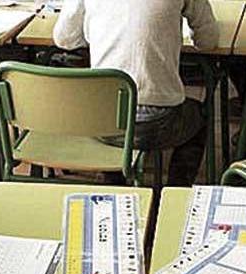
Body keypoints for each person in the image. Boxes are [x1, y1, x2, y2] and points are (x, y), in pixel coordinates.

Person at [54, 0, 219, 186]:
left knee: (114, 113)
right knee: (200, 116)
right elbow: (208, 41)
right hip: (159, 123)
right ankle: (175, 189)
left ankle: (115, 179)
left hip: (102, 123)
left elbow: (64, 39)